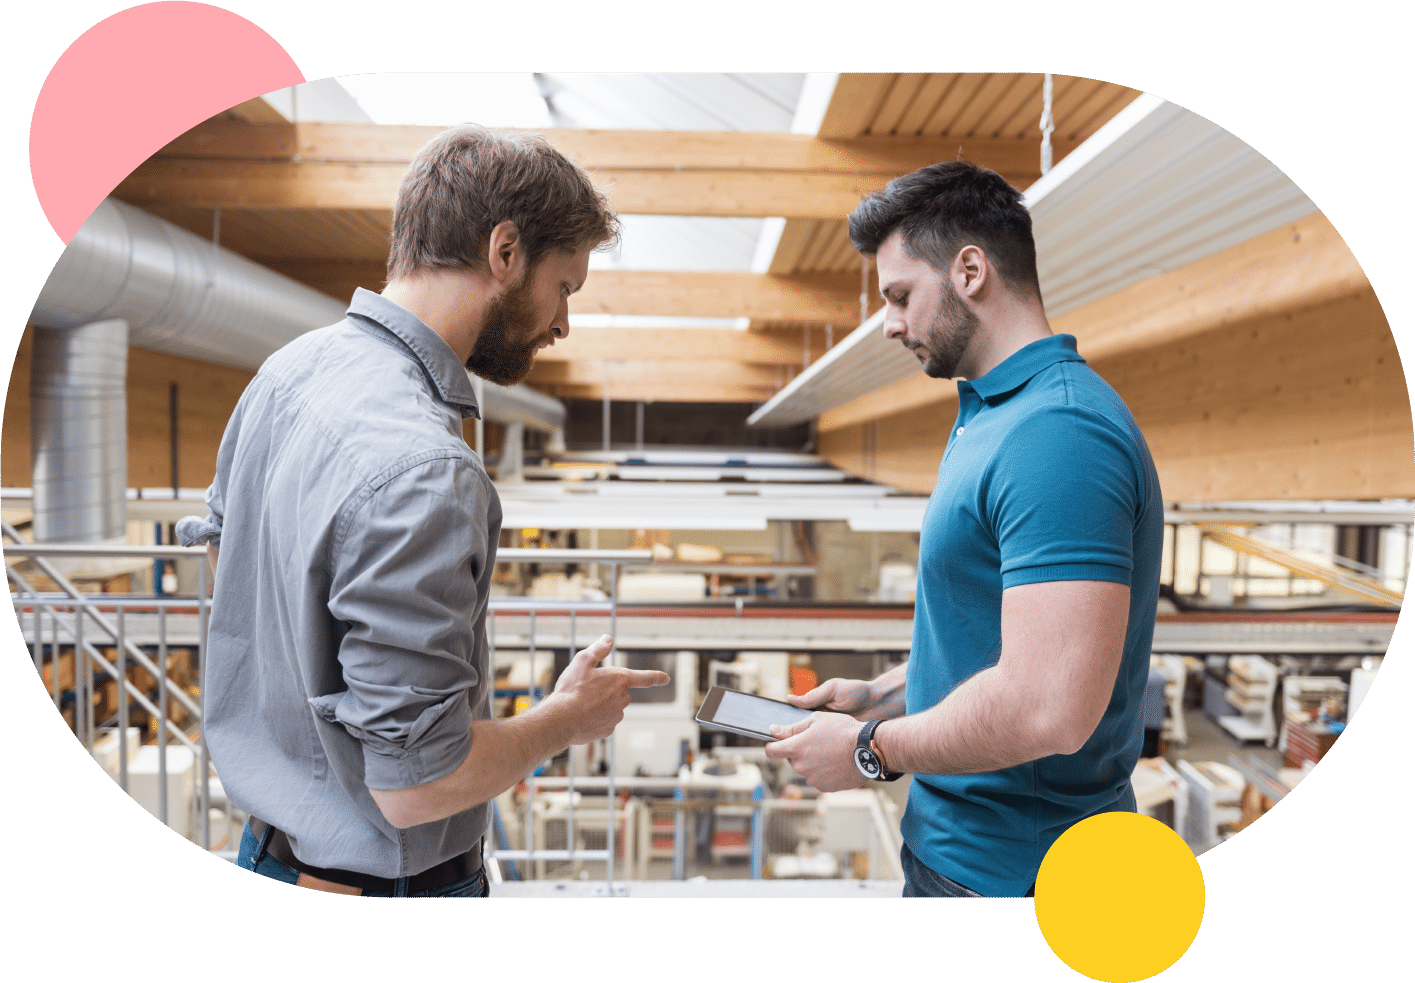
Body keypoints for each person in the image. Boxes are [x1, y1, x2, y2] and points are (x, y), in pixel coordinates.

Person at [177, 126, 669, 897]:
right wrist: (568, 718)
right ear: (504, 251)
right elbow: (419, 786)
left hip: (272, 851)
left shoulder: (284, 375)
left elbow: (230, 567)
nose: (563, 321)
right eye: (565, 286)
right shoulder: (427, 468)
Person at [763, 160, 1164, 898]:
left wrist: (868, 751)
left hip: (1015, 877)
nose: (889, 323)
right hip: (960, 856)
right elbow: (991, 646)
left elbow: (1049, 706)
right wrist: (883, 696)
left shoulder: (1057, 433)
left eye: (899, 296)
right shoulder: (992, 414)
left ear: (970, 270)